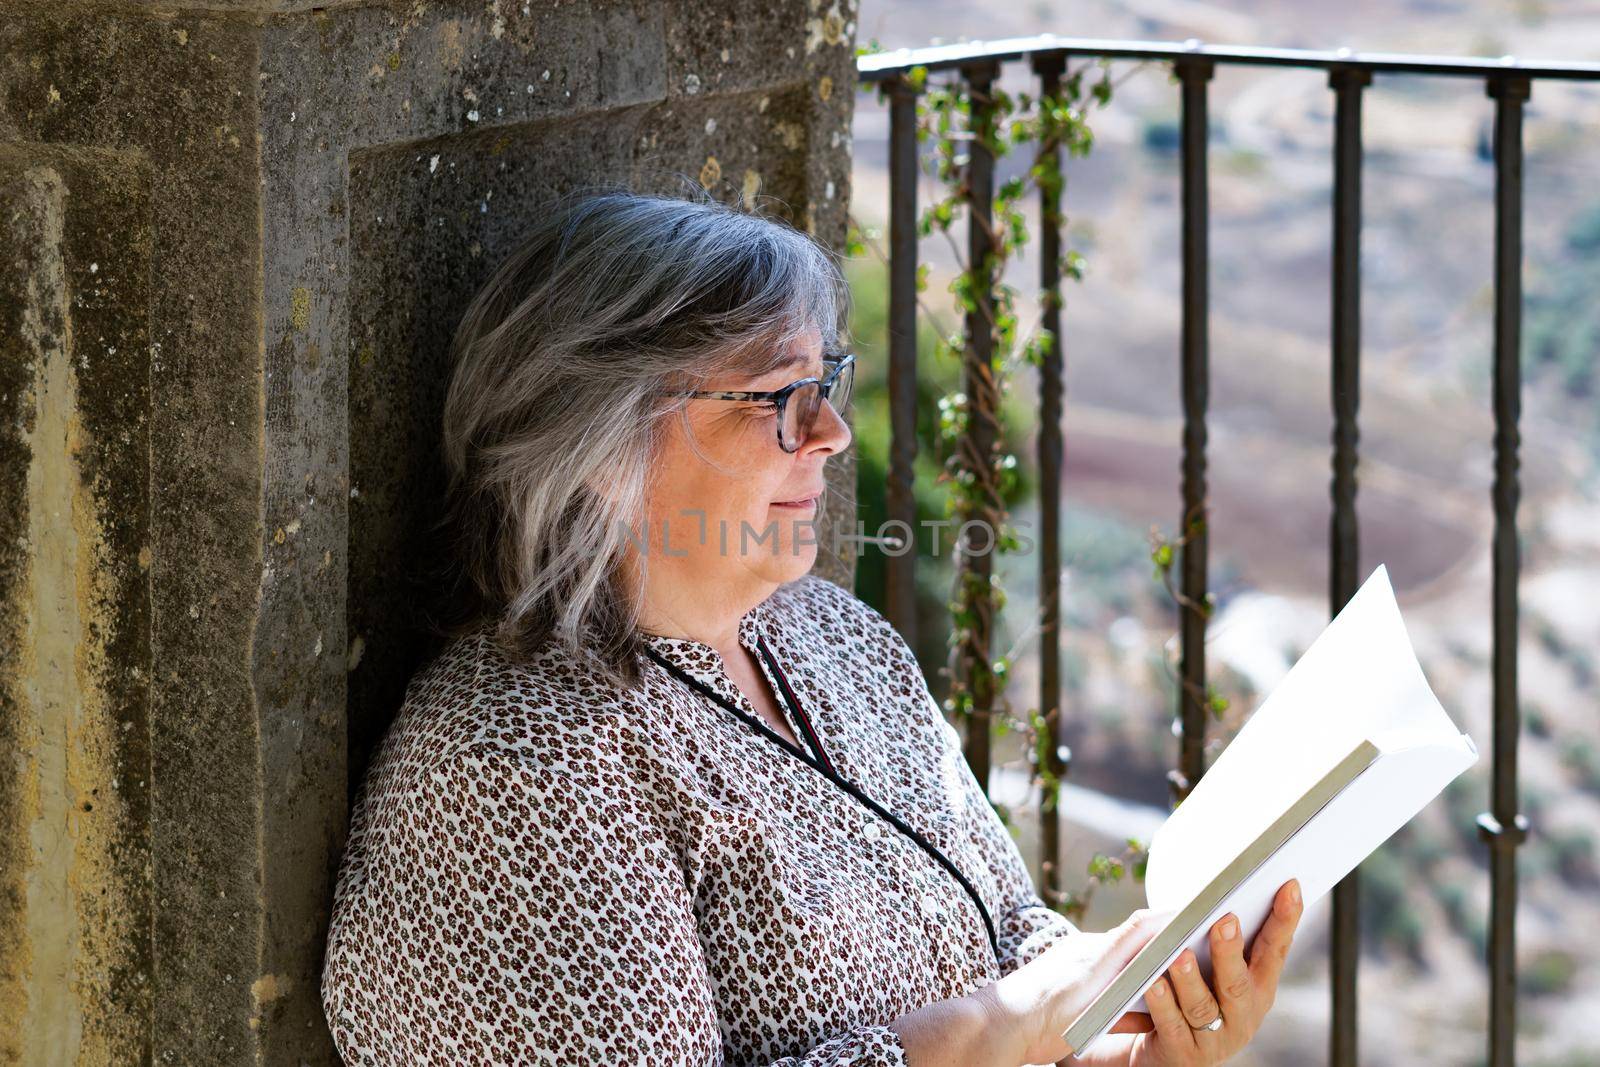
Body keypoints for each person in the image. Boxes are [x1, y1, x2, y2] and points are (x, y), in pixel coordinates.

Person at [318, 189, 1304, 1066]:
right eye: (779, 398)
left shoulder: (834, 636)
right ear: (599, 438)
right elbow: (1000, 1013)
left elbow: (1006, 924)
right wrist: (983, 1032)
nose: (830, 431)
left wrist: (1127, 1021)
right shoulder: (515, 763)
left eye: (823, 382)